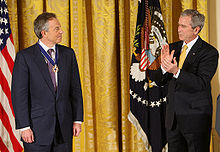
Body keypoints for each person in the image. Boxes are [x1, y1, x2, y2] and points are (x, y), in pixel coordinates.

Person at [11, 12, 83, 152]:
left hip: (64, 128)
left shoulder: (68, 54)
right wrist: (24, 127)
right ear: (44, 33)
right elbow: (19, 95)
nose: (61, 31)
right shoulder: (25, 57)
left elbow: (75, 90)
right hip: (36, 130)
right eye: (56, 28)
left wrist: (77, 120)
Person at [155, 9, 219, 151]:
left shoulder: (209, 52)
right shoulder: (172, 48)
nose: (178, 29)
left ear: (196, 29)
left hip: (195, 119)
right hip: (173, 119)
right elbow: (159, 81)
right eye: (178, 25)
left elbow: (201, 83)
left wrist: (176, 71)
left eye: (183, 26)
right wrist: (164, 67)